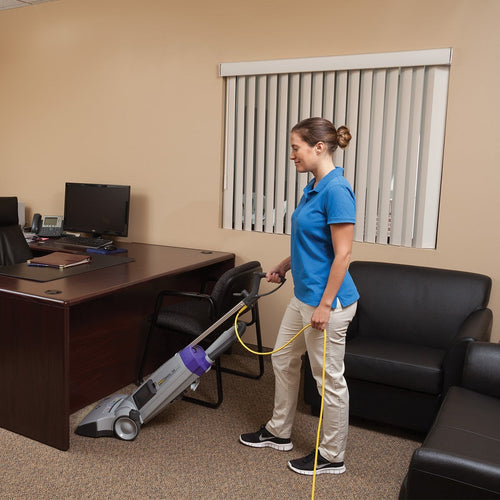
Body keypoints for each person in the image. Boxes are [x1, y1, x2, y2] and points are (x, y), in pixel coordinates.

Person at [239, 117, 359, 476]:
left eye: (296, 147)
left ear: (318, 147)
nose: (292, 155)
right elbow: (313, 244)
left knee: (329, 381)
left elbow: (343, 254)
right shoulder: (314, 186)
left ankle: (332, 456)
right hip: (303, 296)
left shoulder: (337, 190)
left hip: (328, 304)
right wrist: (285, 265)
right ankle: (279, 432)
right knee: (284, 360)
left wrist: (324, 306)